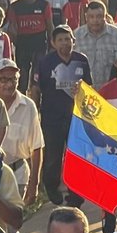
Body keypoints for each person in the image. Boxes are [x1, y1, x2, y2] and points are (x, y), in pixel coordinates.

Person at [31, 25, 93, 207]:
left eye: (67, 39)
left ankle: (76, 193)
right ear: (53, 43)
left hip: (76, 117)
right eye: (60, 40)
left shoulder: (81, 60)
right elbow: (36, 88)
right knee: (53, 155)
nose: (64, 43)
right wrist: (35, 112)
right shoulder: (45, 62)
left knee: (76, 156)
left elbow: (89, 88)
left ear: (73, 41)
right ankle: (51, 188)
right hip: (52, 117)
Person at [0, 59, 44, 233]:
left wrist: (34, 183)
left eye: (12, 79)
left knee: (11, 230)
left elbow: (37, 146)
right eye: (3, 79)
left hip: (17, 175)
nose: (8, 84)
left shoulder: (28, 106)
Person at [8, 0, 54, 92]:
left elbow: (50, 26)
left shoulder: (44, 5)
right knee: (22, 76)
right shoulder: (15, 7)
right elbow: (12, 28)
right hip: (22, 44)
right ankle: (22, 98)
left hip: (39, 44)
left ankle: (36, 100)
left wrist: (52, 44)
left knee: (37, 76)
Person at [72, 0, 117, 87]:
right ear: (86, 17)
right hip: (84, 91)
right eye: (91, 17)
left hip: (111, 90)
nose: (95, 20)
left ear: (105, 17)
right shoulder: (76, 36)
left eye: (99, 16)